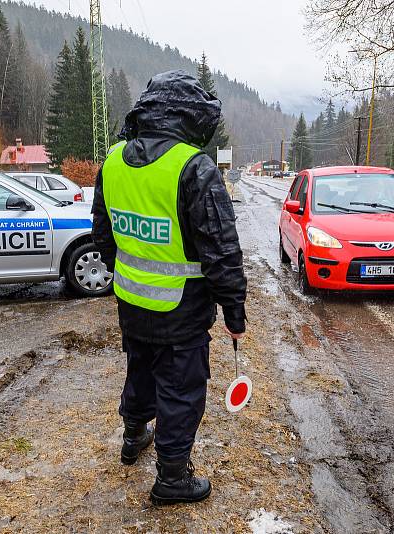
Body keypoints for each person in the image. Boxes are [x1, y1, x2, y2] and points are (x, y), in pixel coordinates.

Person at [92, 70, 247, 506]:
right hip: (182, 310)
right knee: (180, 390)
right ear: (190, 115)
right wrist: (234, 313)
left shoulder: (114, 161)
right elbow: (221, 250)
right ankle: (172, 478)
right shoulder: (194, 168)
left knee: (140, 370)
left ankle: (133, 436)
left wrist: (126, 276)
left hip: (131, 302)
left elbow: (103, 235)